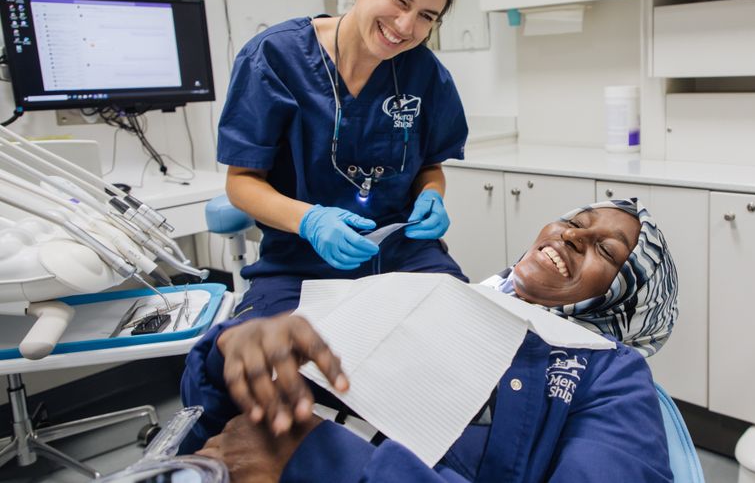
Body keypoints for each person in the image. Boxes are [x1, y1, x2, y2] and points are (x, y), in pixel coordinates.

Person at [182, 199, 679, 483]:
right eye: (575, 222)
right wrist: (229, 351)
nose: (572, 237)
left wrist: (318, 461)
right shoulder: (430, 288)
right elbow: (200, 408)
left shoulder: (608, 373)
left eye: (606, 252)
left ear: (626, 298)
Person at [216, 0, 469, 316]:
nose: (405, 27)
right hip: (298, 263)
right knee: (265, 366)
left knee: (467, 334)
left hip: (403, 254)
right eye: (399, 0)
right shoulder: (274, 59)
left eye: (426, 16)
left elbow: (429, 165)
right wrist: (311, 220)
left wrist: (431, 194)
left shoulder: (426, 74)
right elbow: (242, 182)